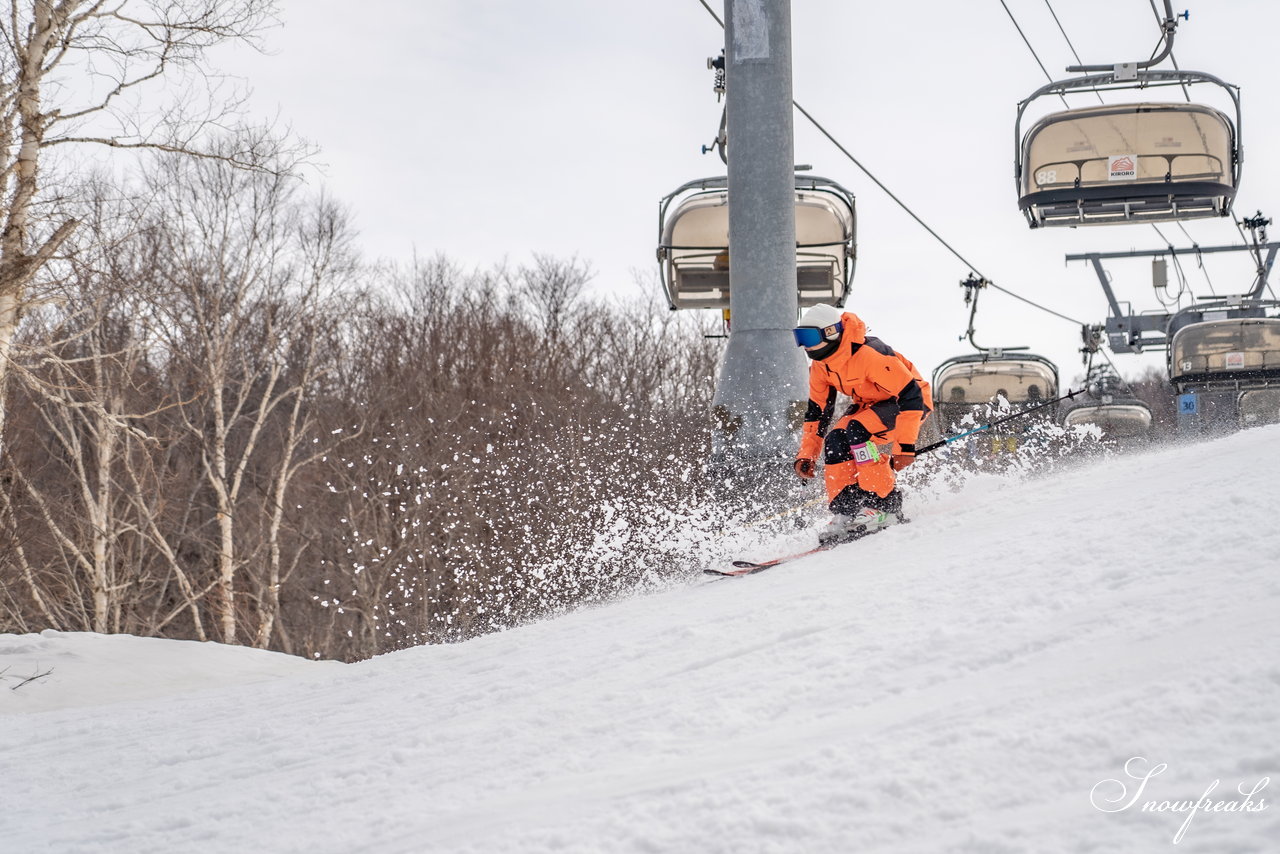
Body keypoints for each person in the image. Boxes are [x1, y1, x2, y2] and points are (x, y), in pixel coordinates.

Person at [792, 303, 932, 546]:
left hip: (910, 402)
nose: (805, 345)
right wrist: (807, 454)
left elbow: (911, 396)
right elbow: (817, 413)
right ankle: (848, 508)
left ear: (831, 333)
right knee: (836, 438)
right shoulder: (820, 366)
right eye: (800, 337)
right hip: (870, 405)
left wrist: (905, 447)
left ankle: (883, 506)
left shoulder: (868, 354)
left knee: (857, 430)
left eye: (809, 337)